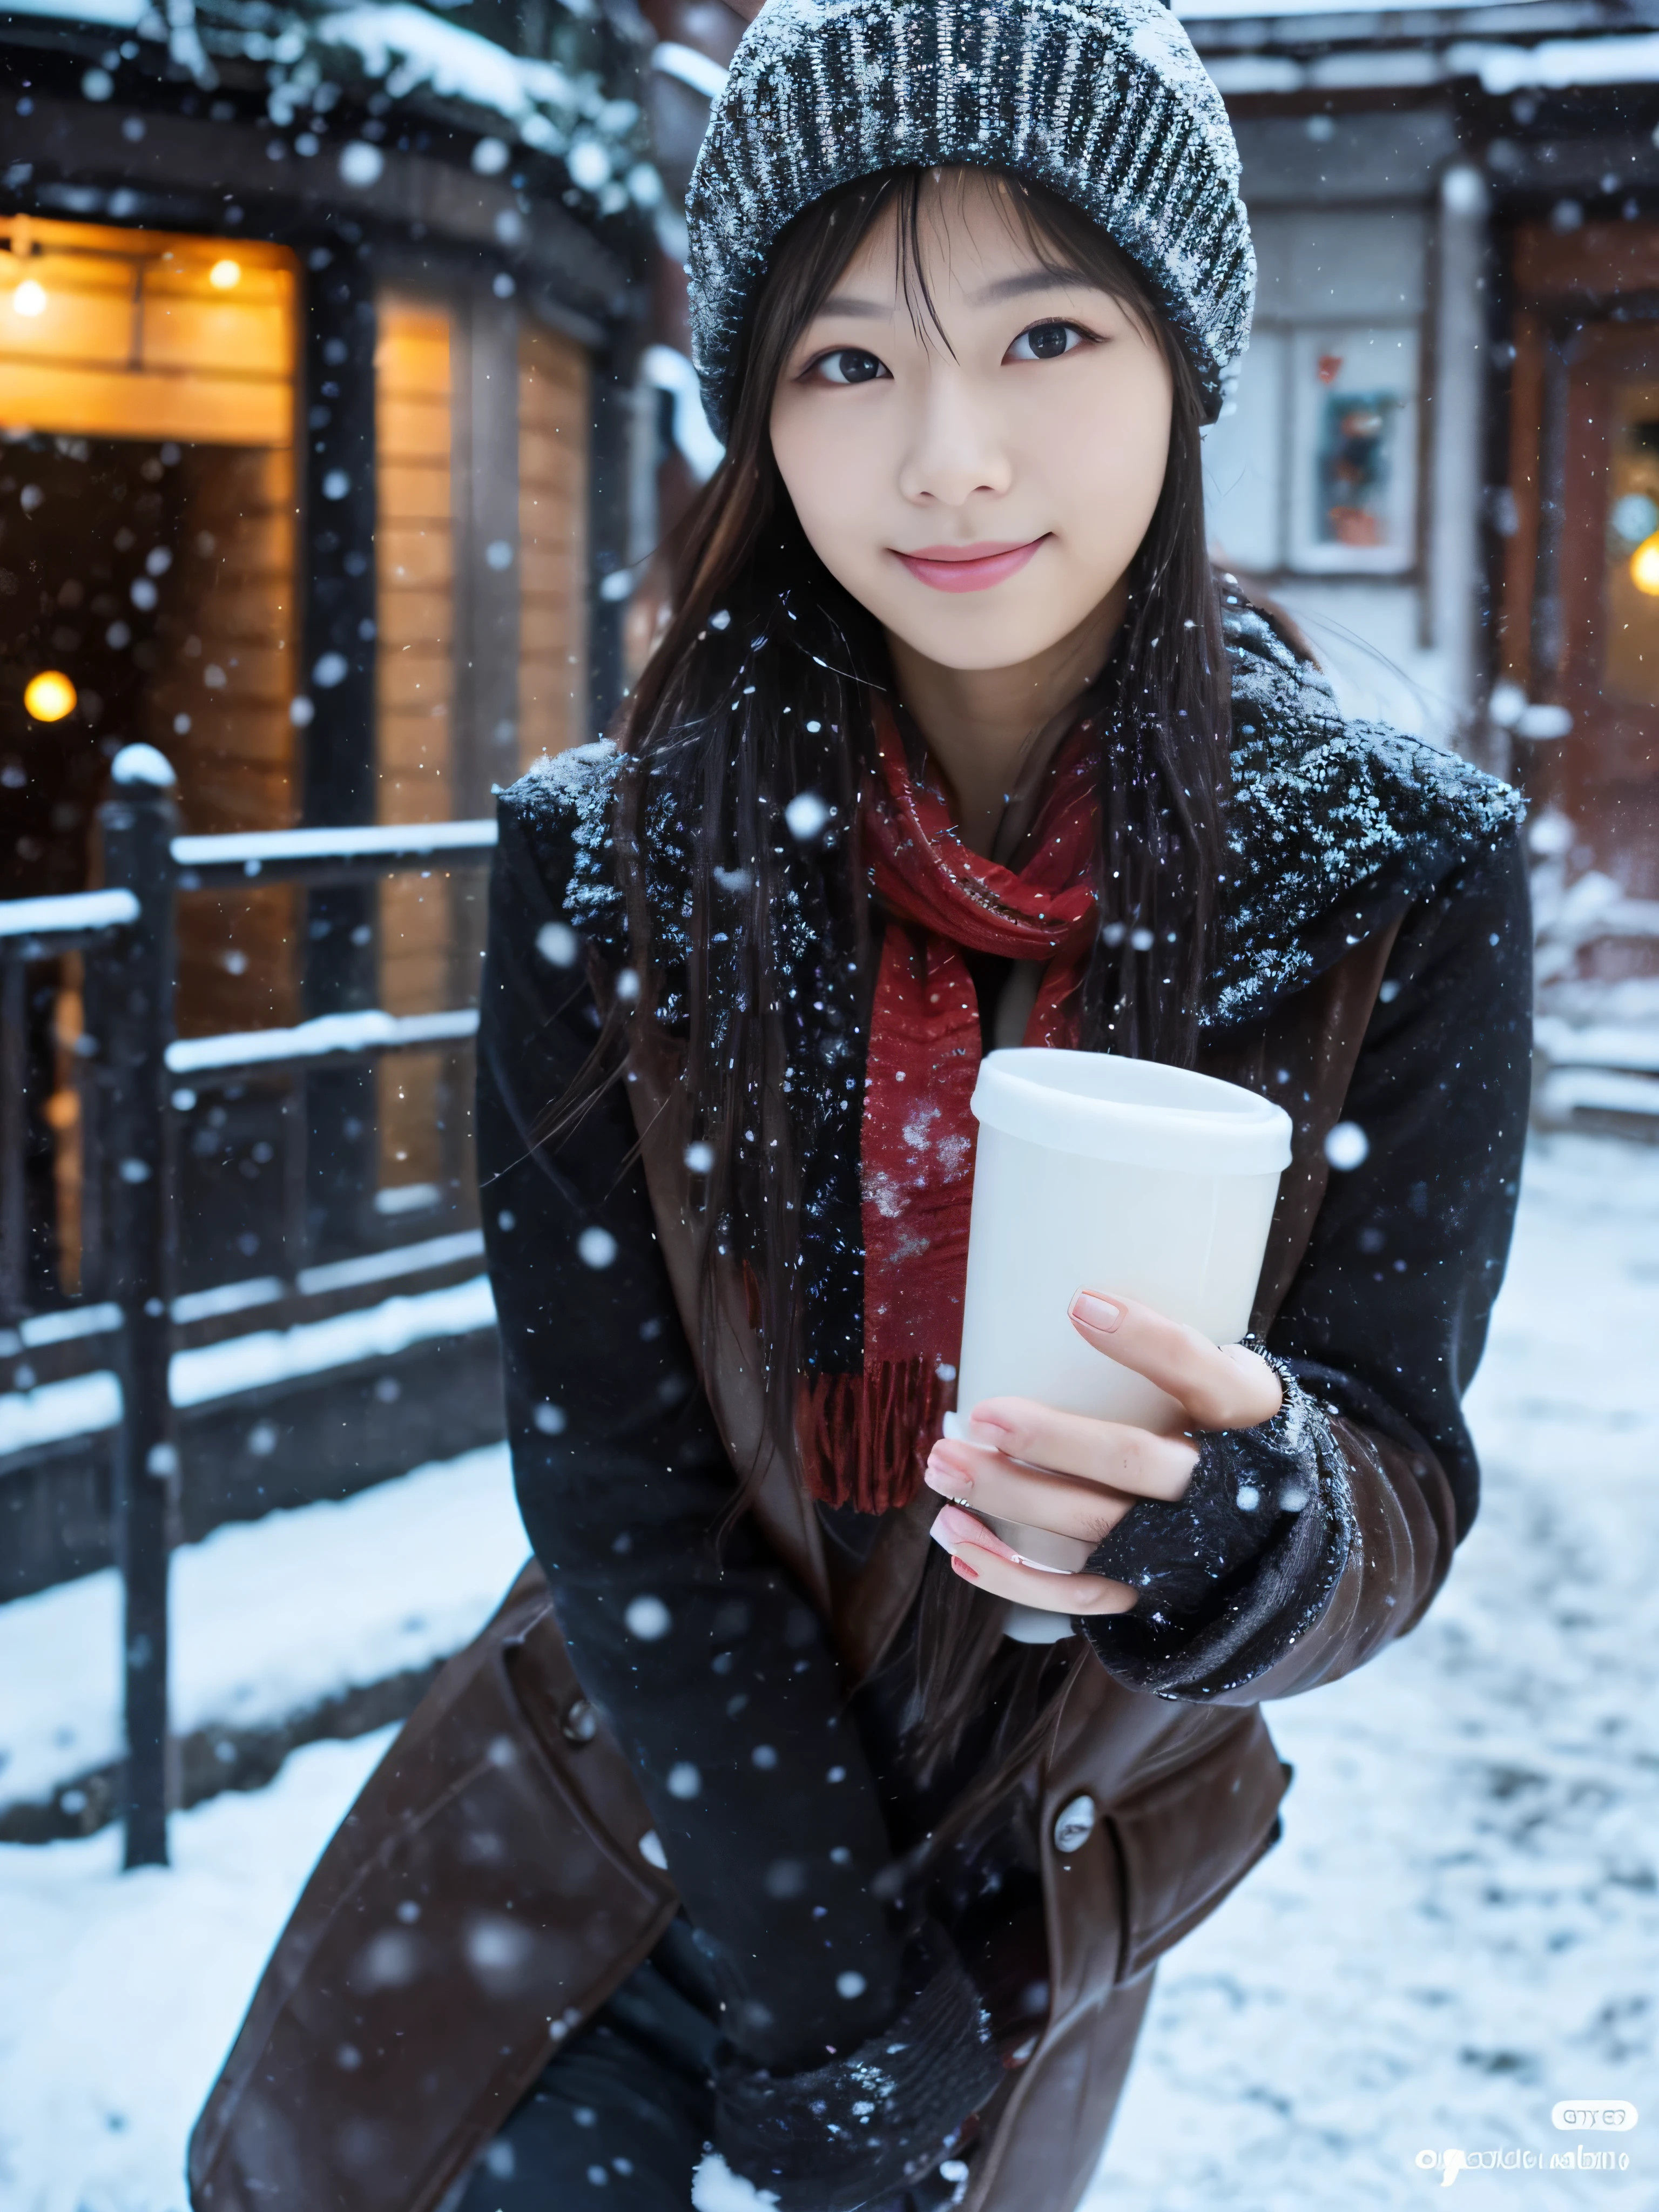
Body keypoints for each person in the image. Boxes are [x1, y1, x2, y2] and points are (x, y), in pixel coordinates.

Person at [186, 4, 1531, 2210]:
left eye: (1044, 336)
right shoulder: (613, 867)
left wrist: (1247, 1526)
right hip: (601, 1856)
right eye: (846, 361)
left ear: (1183, 360)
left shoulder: (1395, 875)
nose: (953, 460)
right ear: (758, 420)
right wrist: (820, 1982)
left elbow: (1393, 1465)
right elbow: (620, 1488)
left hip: (1032, 1918)